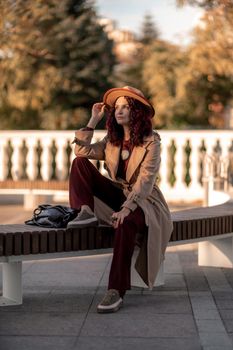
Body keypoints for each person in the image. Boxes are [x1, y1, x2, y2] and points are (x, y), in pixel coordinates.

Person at [68, 86, 173, 313]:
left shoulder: (152, 142)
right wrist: (93, 120)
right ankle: (84, 212)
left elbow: (145, 182)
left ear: (136, 111)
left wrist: (126, 209)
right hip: (119, 193)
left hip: (145, 202)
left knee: (124, 223)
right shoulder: (112, 140)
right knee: (79, 165)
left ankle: (116, 290)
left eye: (125, 106)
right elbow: (81, 152)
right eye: (116, 107)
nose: (119, 111)